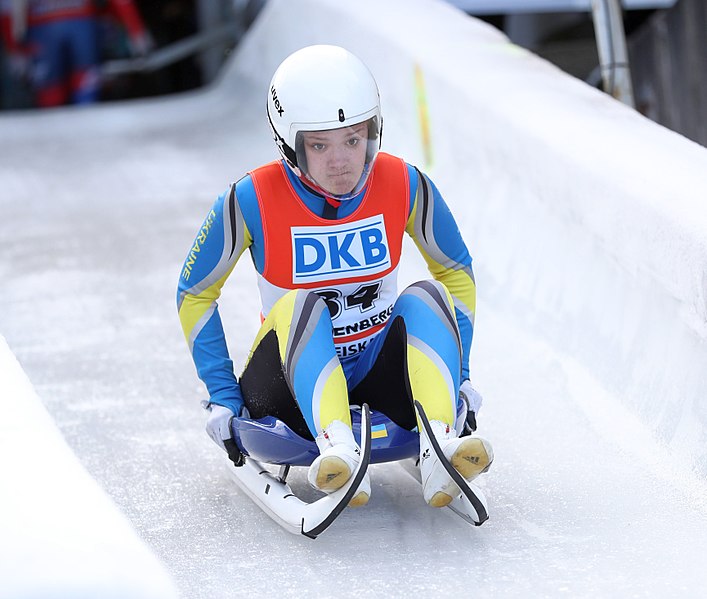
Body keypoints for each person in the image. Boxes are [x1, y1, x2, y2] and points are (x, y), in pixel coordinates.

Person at [177, 45, 493, 508]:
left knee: (427, 294)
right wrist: (223, 392)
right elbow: (195, 293)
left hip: (377, 377)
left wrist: (458, 375)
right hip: (288, 392)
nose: (342, 161)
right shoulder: (250, 198)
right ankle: (338, 448)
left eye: (354, 139)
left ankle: (440, 444)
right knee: (304, 304)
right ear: (290, 145)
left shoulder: (404, 183)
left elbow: (456, 272)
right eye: (319, 146)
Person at [0, 0, 151, 107]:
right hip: (49, 29)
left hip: (77, 25)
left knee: (84, 90)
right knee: (52, 95)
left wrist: (135, 31)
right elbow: (6, 8)